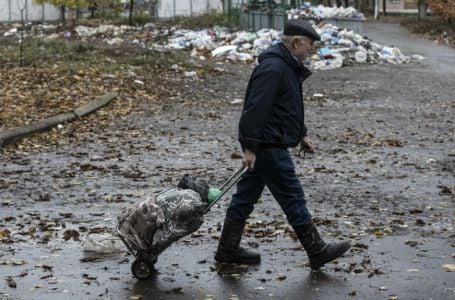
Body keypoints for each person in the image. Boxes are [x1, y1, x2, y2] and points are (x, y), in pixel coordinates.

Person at [214, 19, 351, 270]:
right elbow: (255, 110)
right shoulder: (275, 69)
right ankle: (316, 250)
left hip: (269, 143)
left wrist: (301, 134)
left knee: (244, 198)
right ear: (296, 42)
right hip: (268, 146)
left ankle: (227, 249)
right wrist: (250, 148)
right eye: (310, 44)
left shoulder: (287, 66)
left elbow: (286, 108)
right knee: (293, 197)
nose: (313, 49)